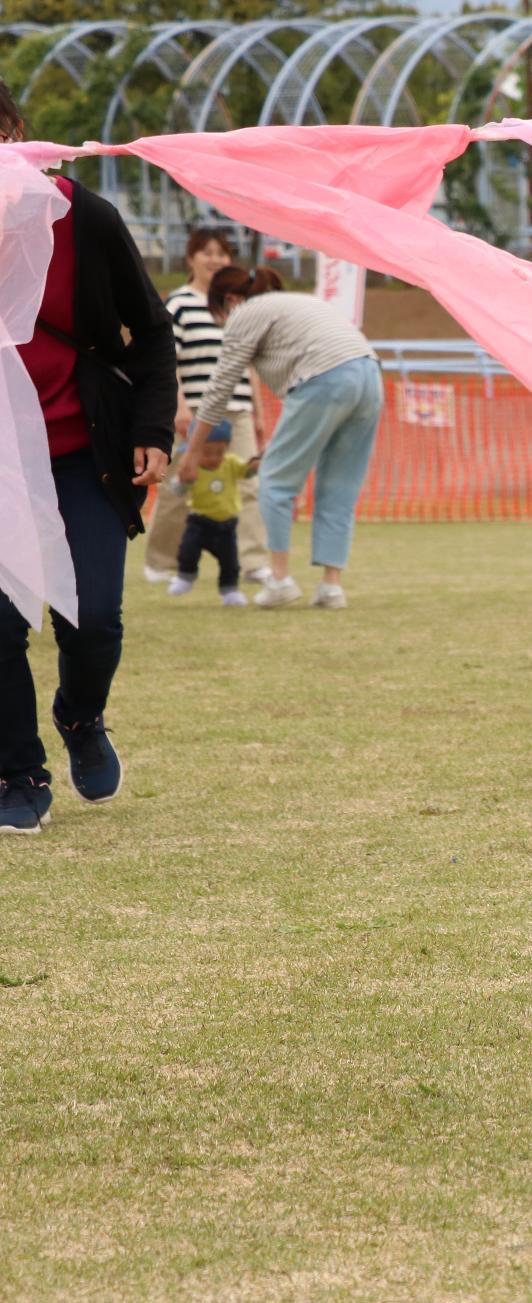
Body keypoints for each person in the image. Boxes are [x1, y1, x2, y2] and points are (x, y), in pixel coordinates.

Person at [0, 78, 175, 834]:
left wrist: (154, 429)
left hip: (81, 453)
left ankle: (80, 715)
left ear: (22, 132)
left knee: (95, 617)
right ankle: (17, 769)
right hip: (4, 463)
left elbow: (154, 331)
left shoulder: (85, 217)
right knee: (2, 626)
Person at [187, 266, 382, 611]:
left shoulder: (244, 313)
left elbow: (220, 389)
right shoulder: (294, 302)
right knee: (339, 486)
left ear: (230, 299)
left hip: (326, 377)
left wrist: (192, 451)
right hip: (369, 375)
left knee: (275, 481)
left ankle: (279, 579)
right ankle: (331, 587)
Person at [143, 227, 270, 588]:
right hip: (196, 411)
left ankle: (254, 561)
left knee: (248, 483)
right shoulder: (179, 303)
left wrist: (258, 412)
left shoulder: (237, 306)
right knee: (178, 486)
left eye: (222, 253)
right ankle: (161, 560)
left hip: (239, 408)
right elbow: (168, 360)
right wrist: (178, 407)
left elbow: (250, 362)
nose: (215, 259)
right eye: (207, 252)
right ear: (191, 258)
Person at [168, 420, 261, 605]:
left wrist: (254, 467)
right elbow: (177, 490)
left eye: (220, 452)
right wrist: (183, 480)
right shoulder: (190, 467)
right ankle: (186, 576)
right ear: (194, 450)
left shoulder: (231, 463)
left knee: (230, 562)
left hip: (227, 525)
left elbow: (246, 472)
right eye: (207, 452)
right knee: (187, 550)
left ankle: (230, 590)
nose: (214, 458)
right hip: (199, 521)